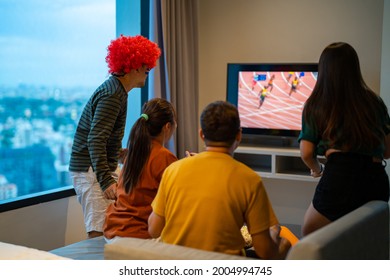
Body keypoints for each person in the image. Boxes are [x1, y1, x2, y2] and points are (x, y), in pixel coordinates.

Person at [148, 101, 291, 259]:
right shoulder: (249, 179)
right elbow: (265, 251)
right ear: (239, 135)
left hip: (175, 264)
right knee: (284, 242)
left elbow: (154, 229)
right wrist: (273, 232)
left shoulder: (173, 170)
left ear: (202, 134)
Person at [69, 35, 161, 239]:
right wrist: (105, 182)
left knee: (111, 228)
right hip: (91, 170)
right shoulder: (112, 95)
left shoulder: (117, 91)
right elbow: (95, 140)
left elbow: (100, 136)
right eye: (145, 64)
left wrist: (118, 153)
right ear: (133, 65)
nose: (149, 69)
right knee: (99, 232)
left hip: (97, 166)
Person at [299, 42, 390, 236]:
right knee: (364, 238)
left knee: (309, 233)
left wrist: (317, 170)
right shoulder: (375, 102)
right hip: (376, 178)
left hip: (340, 176)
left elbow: (306, 152)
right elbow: (388, 152)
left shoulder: (316, 104)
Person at [103, 98, 178, 240]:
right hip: (137, 235)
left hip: (113, 231)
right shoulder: (164, 157)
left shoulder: (133, 152)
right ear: (167, 126)